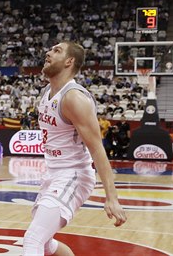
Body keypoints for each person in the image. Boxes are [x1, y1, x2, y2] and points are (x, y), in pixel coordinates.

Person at [23, 42, 126, 256]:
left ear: (69, 62)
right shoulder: (46, 91)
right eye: (51, 49)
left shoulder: (74, 98)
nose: (48, 52)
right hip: (52, 173)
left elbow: (97, 149)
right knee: (45, 244)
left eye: (57, 50)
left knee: (32, 239)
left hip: (73, 175)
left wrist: (112, 197)